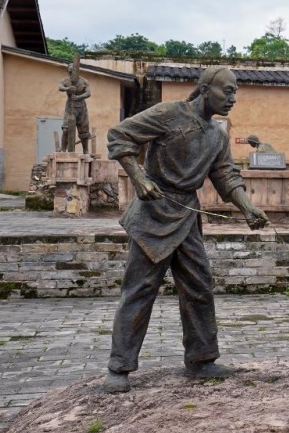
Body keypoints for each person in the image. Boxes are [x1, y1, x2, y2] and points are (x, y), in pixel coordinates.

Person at [102, 66, 270, 394]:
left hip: (186, 218)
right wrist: (139, 178)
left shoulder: (217, 135)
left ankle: (202, 358)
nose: (232, 98)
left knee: (199, 286)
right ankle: (119, 366)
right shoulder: (168, 114)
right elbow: (118, 135)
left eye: (235, 91)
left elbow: (225, 174)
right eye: (227, 90)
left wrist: (247, 207)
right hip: (152, 213)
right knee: (139, 289)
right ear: (205, 89)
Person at [58, 63, 92, 154]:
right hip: (70, 107)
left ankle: (85, 150)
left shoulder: (84, 81)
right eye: (69, 72)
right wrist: (67, 89)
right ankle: (63, 150)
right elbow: (60, 87)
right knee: (66, 129)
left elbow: (88, 93)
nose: (70, 74)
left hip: (82, 108)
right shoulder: (66, 80)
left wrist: (79, 97)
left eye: (72, 72)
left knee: (84, 131)